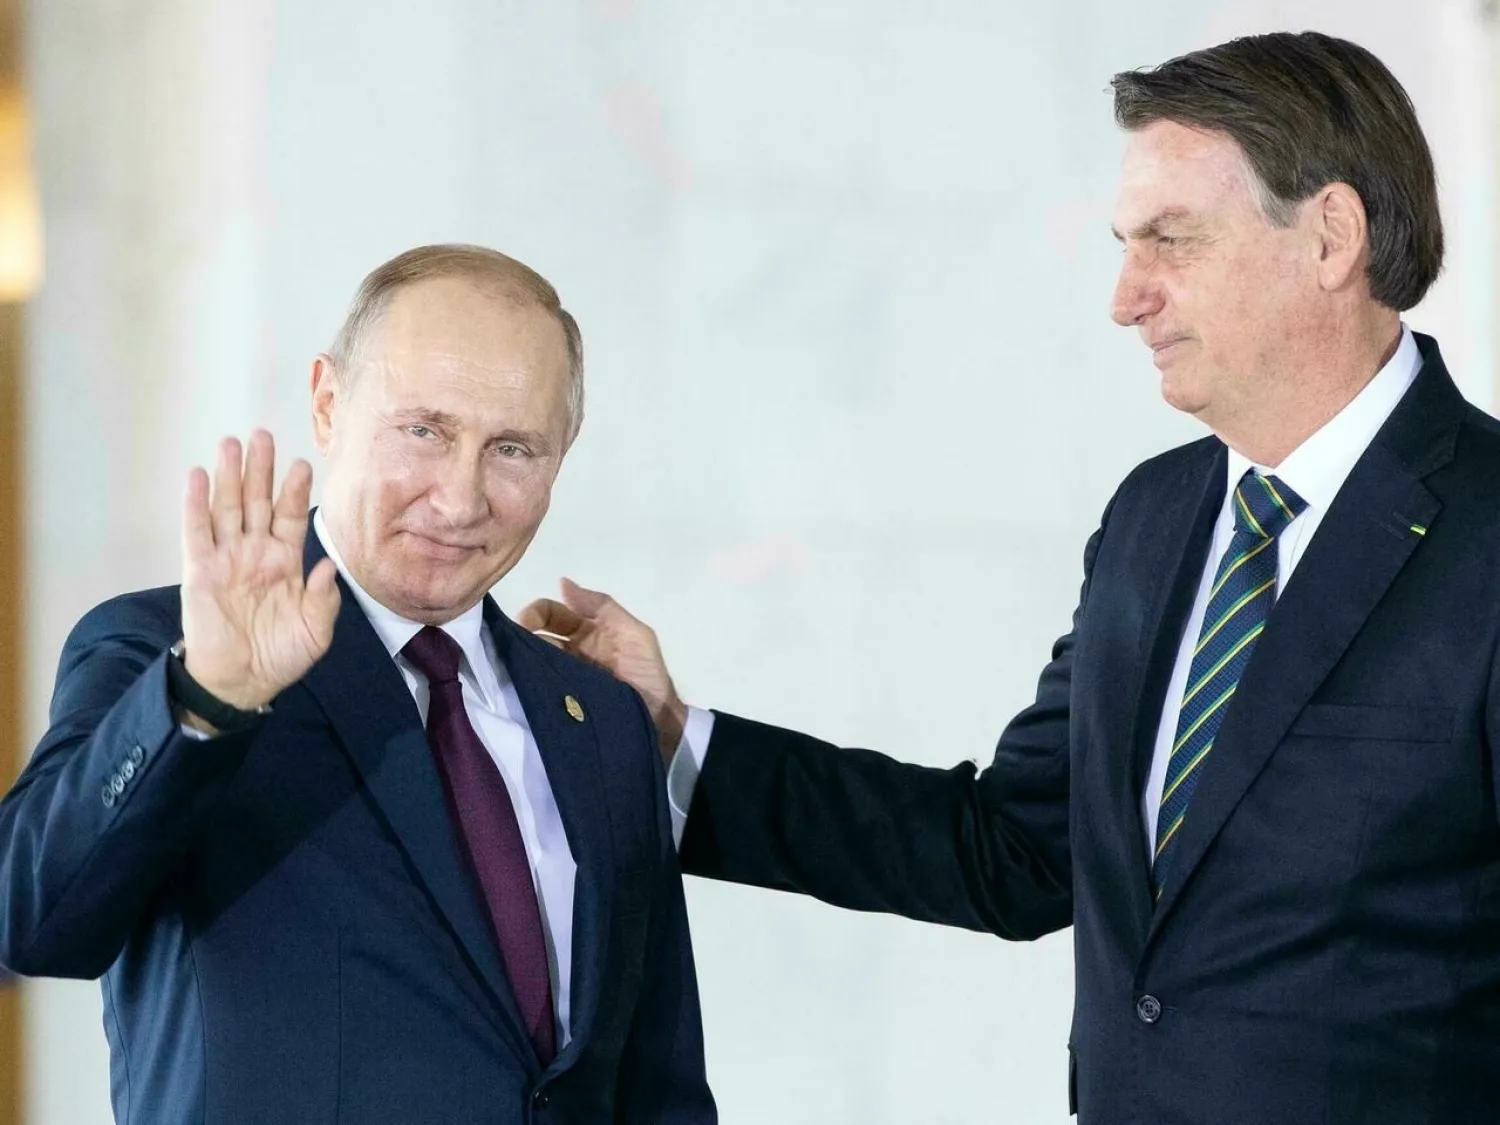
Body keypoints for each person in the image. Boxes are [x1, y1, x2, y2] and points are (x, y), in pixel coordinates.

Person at [521, 32, 1500, 1125]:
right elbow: (1016, 852)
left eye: (1171, 241)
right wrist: (674, 743)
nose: (1127, 298)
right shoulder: (1155, 518)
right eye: (1126, 247)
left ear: (1330, 236)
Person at [0, 245, 716, 1124]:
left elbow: (661, 1086)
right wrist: (208, 697)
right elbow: (29, 920)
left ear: (562, 455)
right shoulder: (165, 653)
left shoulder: (599, 716)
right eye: (424, 430)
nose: (460, 499)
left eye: (512, 448)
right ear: (328, 404)